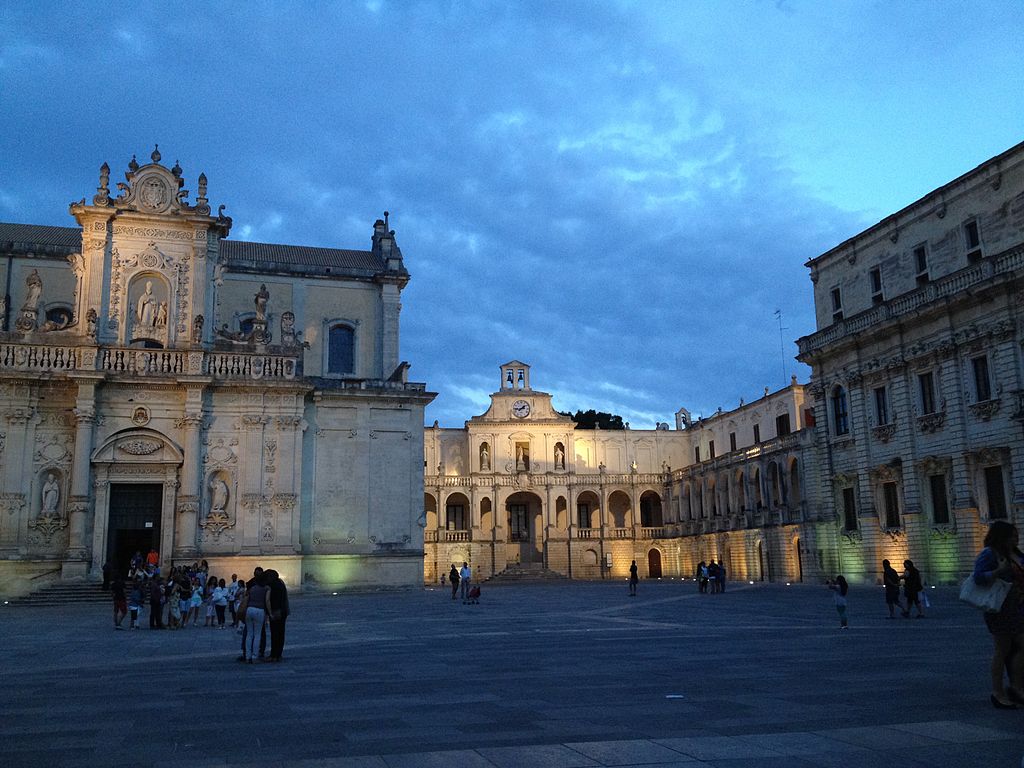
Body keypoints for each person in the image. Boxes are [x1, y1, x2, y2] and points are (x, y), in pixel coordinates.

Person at [972, 520, 1024, 709]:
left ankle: (1016, 687)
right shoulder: (990, 553)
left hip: (1018, 608)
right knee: (1001, 651)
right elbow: (978, 577)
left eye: (1016, 535)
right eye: (1012, 536)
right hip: (1000, 609)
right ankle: (998, 692)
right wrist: (998, 571)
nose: (1015, 539)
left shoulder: (1015, 554)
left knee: (1016, 648)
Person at [243, 571, 271, 664]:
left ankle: (248, 656)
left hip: (249, 610)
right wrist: (270, 613)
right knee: (257, 634)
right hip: (259, 610)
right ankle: (255, 656)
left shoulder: (251, 588)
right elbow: (267, 600)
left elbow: (246, 598)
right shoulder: (266, 588)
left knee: (249, 634)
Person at [266, 569, 290, 661]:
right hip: (283, 611)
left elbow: (272, 600)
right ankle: (278, 654)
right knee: (280, 633)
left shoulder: (272, 586)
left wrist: (270, 612)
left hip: (276, 611)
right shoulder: (281, 583)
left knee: (275, 633)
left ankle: (274, 654)